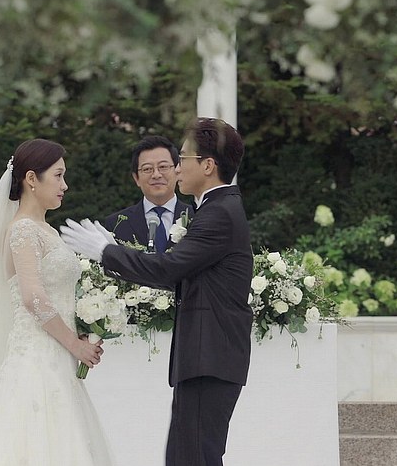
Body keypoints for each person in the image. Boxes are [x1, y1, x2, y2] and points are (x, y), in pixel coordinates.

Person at [61, 118, 253, 466]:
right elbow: (179, 276)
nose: (177, 169)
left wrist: (106, 252)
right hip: (207, 358)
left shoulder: (218, 213)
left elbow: (168, 268)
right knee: (186, 456)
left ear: (208, 165)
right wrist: (113, 252)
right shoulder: (216, 208)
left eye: (183, 159)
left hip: (210, 358)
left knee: (193, 457)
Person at [0, 139, 113, 465]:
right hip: (35, 359)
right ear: (31, 179)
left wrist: (81, 331)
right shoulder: (23, 230)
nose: (65, 185)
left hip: (58, 359)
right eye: (58, 176)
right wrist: (74, 344)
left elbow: (56, 296)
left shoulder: (47, 231)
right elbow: (33, 297)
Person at [104, 135, 192, 251]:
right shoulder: (116, 224)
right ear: (136, 178)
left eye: (163, 167)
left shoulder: (197, 217)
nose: (156, 175)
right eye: (147, 169)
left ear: (177, 171)